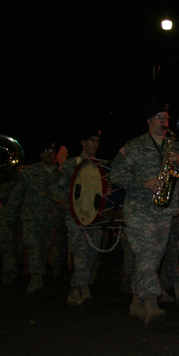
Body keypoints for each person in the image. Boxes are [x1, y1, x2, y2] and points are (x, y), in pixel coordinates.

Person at [110, 102, 179, 328]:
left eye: (166, 117)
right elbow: (116, 175)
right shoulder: (135, 146)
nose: (163, 121)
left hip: (165, 210)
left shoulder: (176, 146)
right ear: (149, 121)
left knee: (152, 258)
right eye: (158, 117)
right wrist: (142, 182)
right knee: (148, 254)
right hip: (139, 210)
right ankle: (150, 303)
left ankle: (136, 302)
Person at [3, 141, 64, 294]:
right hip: (32, 217)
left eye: (52, 151)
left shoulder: (61, 173)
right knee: (34, 246)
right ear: (40, 154)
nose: (49, 153)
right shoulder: (31, 172)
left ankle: (46, 275)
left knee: (47, 248)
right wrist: (10, 215)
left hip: (53, 219)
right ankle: (36, 279)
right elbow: (17, 194)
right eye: (45, 151)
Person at [53, 129, 103, 307]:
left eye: (97, 140)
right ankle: (85, 290)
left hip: (95, 218)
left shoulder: (99, 165)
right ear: (83, 142)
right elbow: (56, 186)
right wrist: (62, 200)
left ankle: (75, 290)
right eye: (91, 140)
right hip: (75, 217)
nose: (95, 144)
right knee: (80, 253)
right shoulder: (70, 164)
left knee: (92, 254)